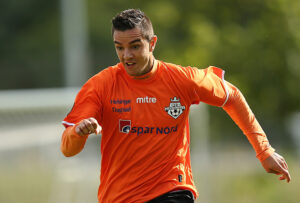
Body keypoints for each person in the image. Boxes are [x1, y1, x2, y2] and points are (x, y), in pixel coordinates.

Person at [60, 9, 291, 203]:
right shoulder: (100, 86)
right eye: (119, 47)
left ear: (152, 43)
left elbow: (232, 96)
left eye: (135, 46)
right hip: (120, 197)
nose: (126, 55)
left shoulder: (182, 80)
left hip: (172, 189)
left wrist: (264, 150)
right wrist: (78, 133)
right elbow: (68, 149)